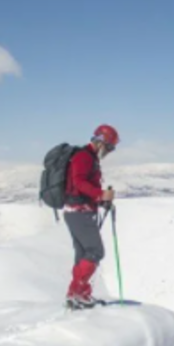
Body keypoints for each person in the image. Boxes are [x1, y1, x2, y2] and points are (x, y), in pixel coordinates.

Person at [64, 124, 119, 309]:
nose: (110, 151)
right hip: (79, 212)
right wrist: (101, 194)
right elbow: (79, 182)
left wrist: (100, 200)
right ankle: (76, 294)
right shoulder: (84, 157)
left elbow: (82, 186)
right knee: (95, 251)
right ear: (101, 141)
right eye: (109, 147)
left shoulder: (89, 158)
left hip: (78, 211)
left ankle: (79, 295)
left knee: (83, 255)